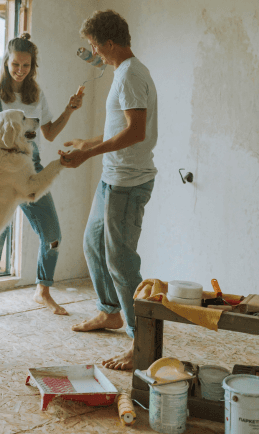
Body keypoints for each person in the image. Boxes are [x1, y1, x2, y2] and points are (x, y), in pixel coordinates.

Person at [59, 10, 158, 370]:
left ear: (110, 43)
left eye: (94, 46)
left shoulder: (131, 74)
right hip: (111, 177)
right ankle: (109, 312)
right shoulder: (122, 73)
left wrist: (88, 155)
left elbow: (136, 132)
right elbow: (121, 128)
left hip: (128, 182)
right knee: (92, 242)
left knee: (122, 262)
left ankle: (140, 342)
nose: (94, 52)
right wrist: (89, 143)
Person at [0, 33, 84, 321]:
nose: (20, 70)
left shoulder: (37, 94)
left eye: (25, 65)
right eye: (15, 65)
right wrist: (8, 125)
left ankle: (43, 291)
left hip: (31, 168)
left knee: (53, 236)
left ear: (32, 66)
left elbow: (48, 133)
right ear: (6, 63)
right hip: (1, 170)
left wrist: (69, 110)